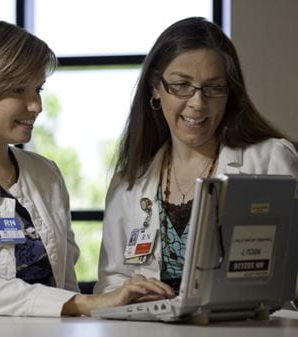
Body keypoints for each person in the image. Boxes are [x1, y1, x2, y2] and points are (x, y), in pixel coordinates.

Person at [0, 18, 171, 317]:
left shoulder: (46, 175)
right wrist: (85, 303)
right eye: (19, 90)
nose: (37, 105)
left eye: (38, 89)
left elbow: (65, 283)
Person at [95, 17, 298, 294]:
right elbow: (110, 281)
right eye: (181, 85)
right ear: (156, 88)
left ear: (230, 93)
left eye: (214, 88)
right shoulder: (128, 183)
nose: (197, 103)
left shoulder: (270, 159)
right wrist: (129, 292)